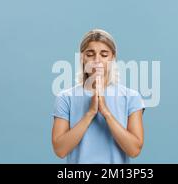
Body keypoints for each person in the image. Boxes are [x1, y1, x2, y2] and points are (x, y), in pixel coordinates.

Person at [52, 29, 145, 163]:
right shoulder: (66, 98)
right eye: (90, 54)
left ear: (113, 57)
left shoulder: (131, 97)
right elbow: (60, 150)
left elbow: (134, 150)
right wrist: (90, 113)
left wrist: (106, 113)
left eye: (104, 54)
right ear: (82, 58)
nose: (97, 60)